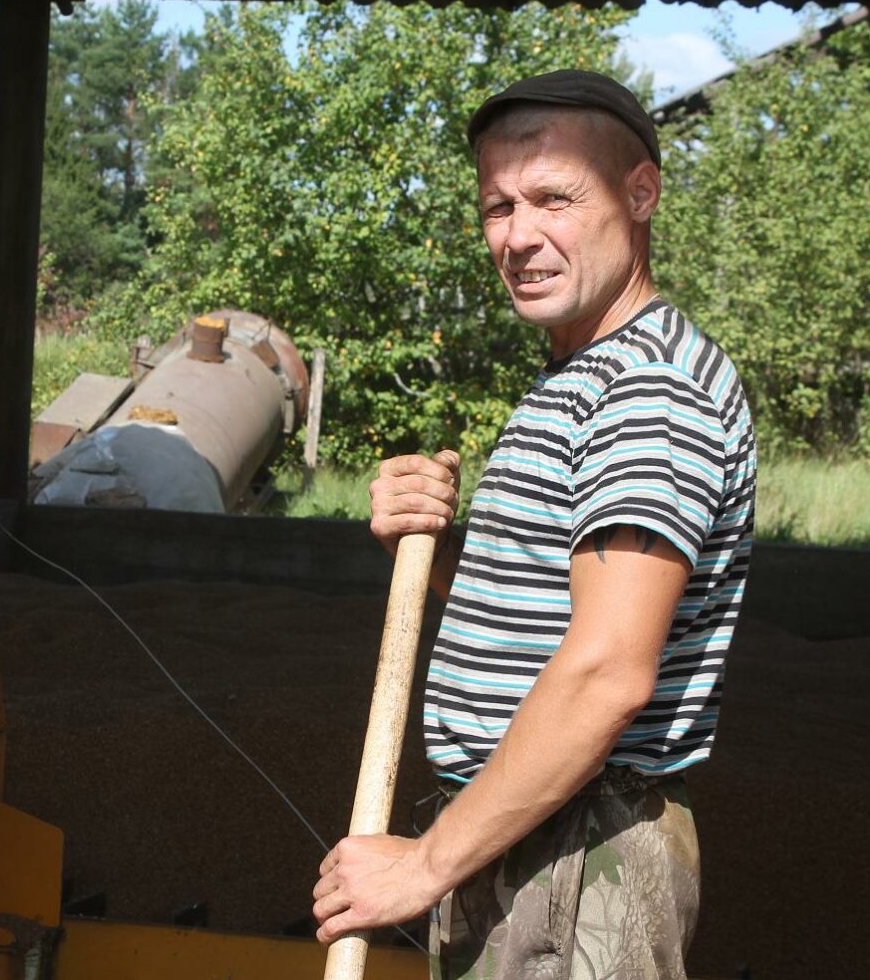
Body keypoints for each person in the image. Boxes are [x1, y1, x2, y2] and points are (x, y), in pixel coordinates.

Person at [311, 70, 757, 979]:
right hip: (527, 838)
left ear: (641, 193)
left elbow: (606, 674)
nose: (518, 237)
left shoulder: (648, 390)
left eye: (555, 198)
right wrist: (433, 548)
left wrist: (422, 867)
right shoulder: (583, 375)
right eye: (498, 206)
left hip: (578, 858)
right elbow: (554, 607)